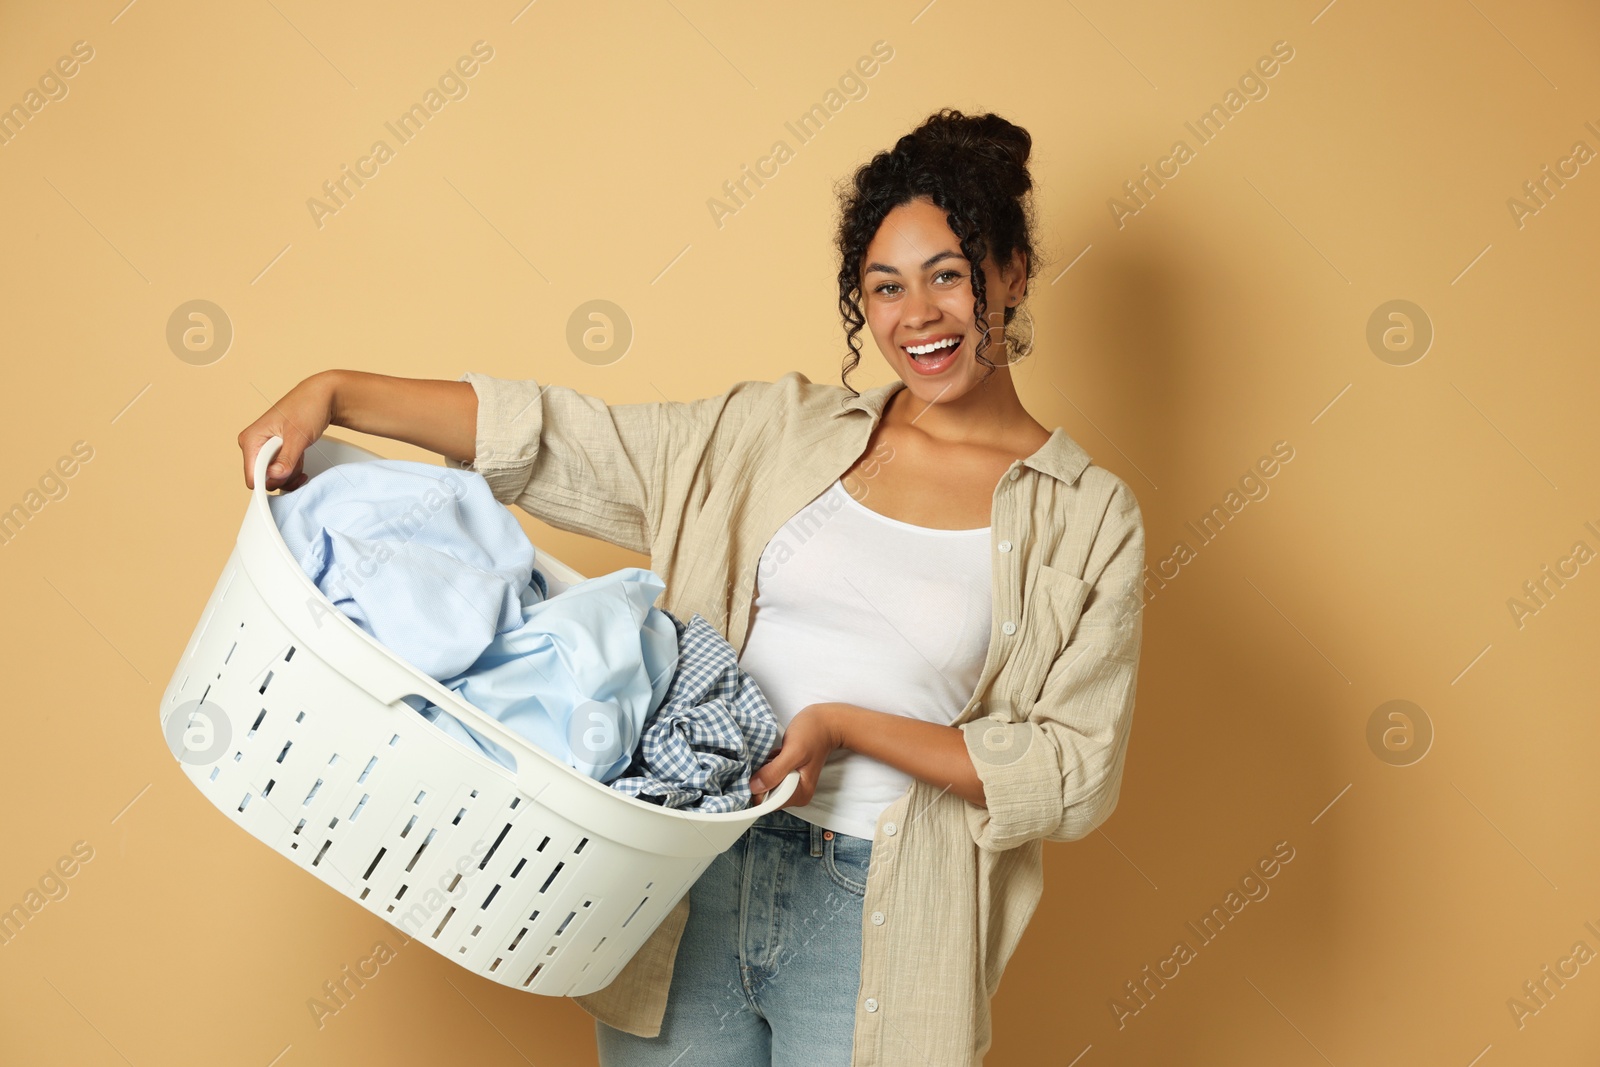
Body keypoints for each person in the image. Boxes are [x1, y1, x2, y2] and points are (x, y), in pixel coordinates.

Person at [238, 108, 1146, 1067]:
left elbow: (1071, 771)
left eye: (947, 276)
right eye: (885, 288)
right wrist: (336, 393)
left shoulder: (1087, 517)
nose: (916, 316)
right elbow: (565, 438)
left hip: (879, 904)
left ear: (1011, 273)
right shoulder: (774, 432)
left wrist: (845, 727)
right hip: (686, 867)